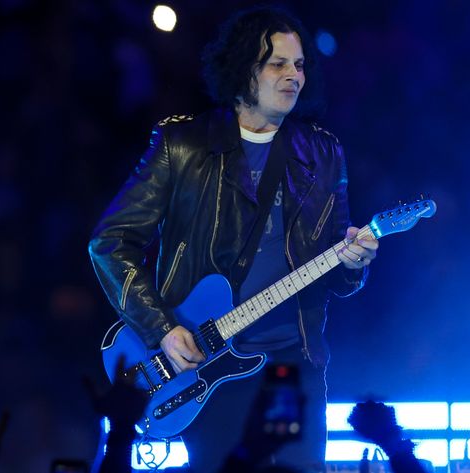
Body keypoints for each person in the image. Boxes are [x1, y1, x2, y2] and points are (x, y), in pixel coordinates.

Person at [88, 7, 378, 472]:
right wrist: (161, 330)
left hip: (293, 363)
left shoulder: (323, 153)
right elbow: (110, 242)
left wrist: (354, 263)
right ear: (245, 70)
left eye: (299, 64)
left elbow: (338, 280)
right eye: (278, 64)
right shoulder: (183, 145)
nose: (294, 76)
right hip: (207, 364)